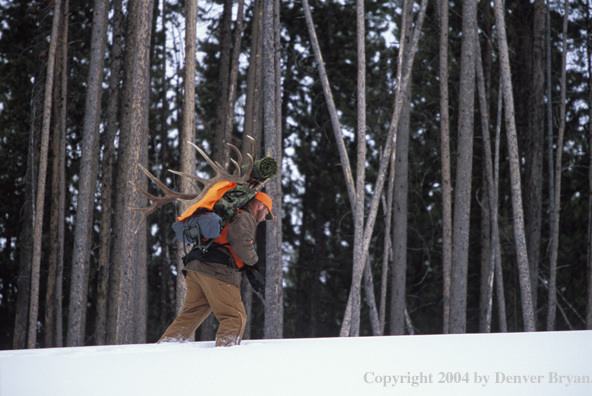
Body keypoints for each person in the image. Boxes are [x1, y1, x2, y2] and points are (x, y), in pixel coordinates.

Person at [158, 192, 273, 347]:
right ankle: (224, 357)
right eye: (267, 212)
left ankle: (165, 348)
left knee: (192, 314)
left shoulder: (230, 214)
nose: (265, 217)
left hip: (195, 267)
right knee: (234, 316)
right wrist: (253, 262)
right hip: (215, 269)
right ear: (260, 205)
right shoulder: (244, 216)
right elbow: (240, 240)